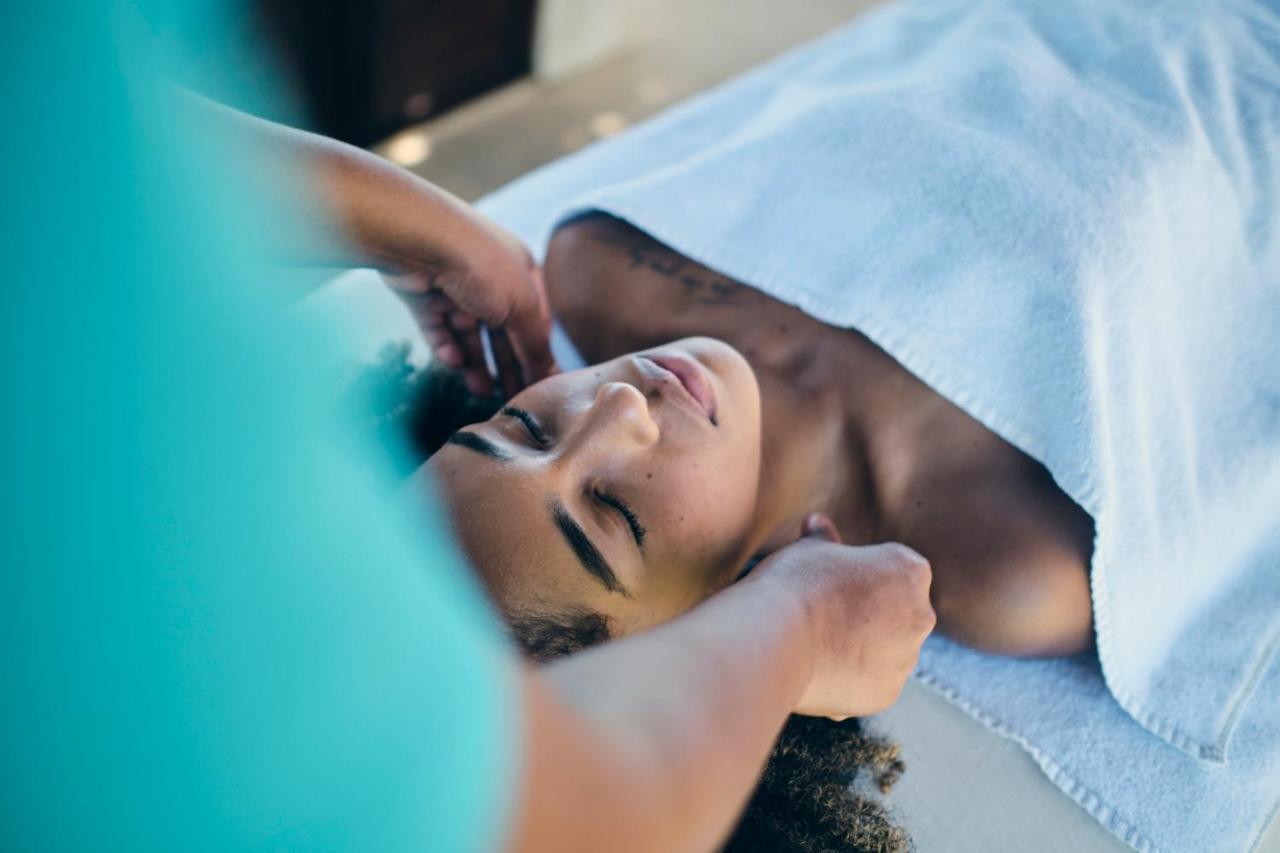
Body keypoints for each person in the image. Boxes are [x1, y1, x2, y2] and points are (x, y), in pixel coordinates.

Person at [4, 5, 935, 853]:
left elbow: (56, 147)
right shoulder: (1013, 562)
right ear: (712, 621)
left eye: (523, 424)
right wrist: (799, 618)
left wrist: (415, 224)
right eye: (612, 512)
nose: (614, 405)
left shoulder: (591, 261)